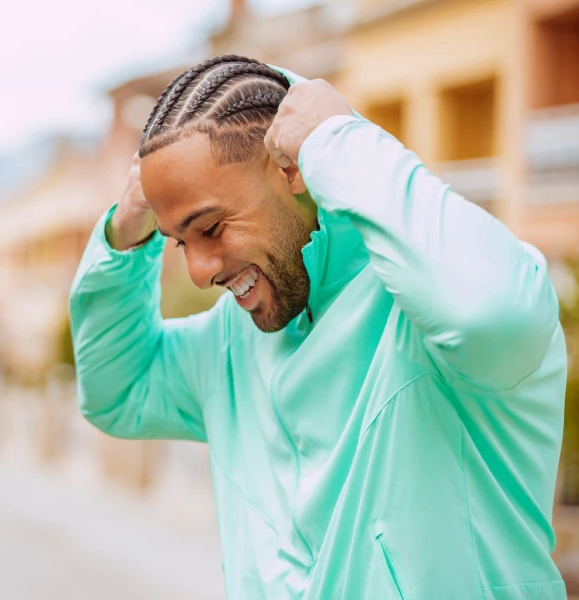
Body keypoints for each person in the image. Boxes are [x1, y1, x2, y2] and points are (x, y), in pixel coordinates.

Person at [68, 55, 568, 599]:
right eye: (179, 241)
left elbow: (486, 315)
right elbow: (119, 390)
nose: (198, 271)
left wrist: (338, 140)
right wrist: (125, 234)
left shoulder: (433, 312)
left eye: (210, 228)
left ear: (292, 169)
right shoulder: (231, 342)